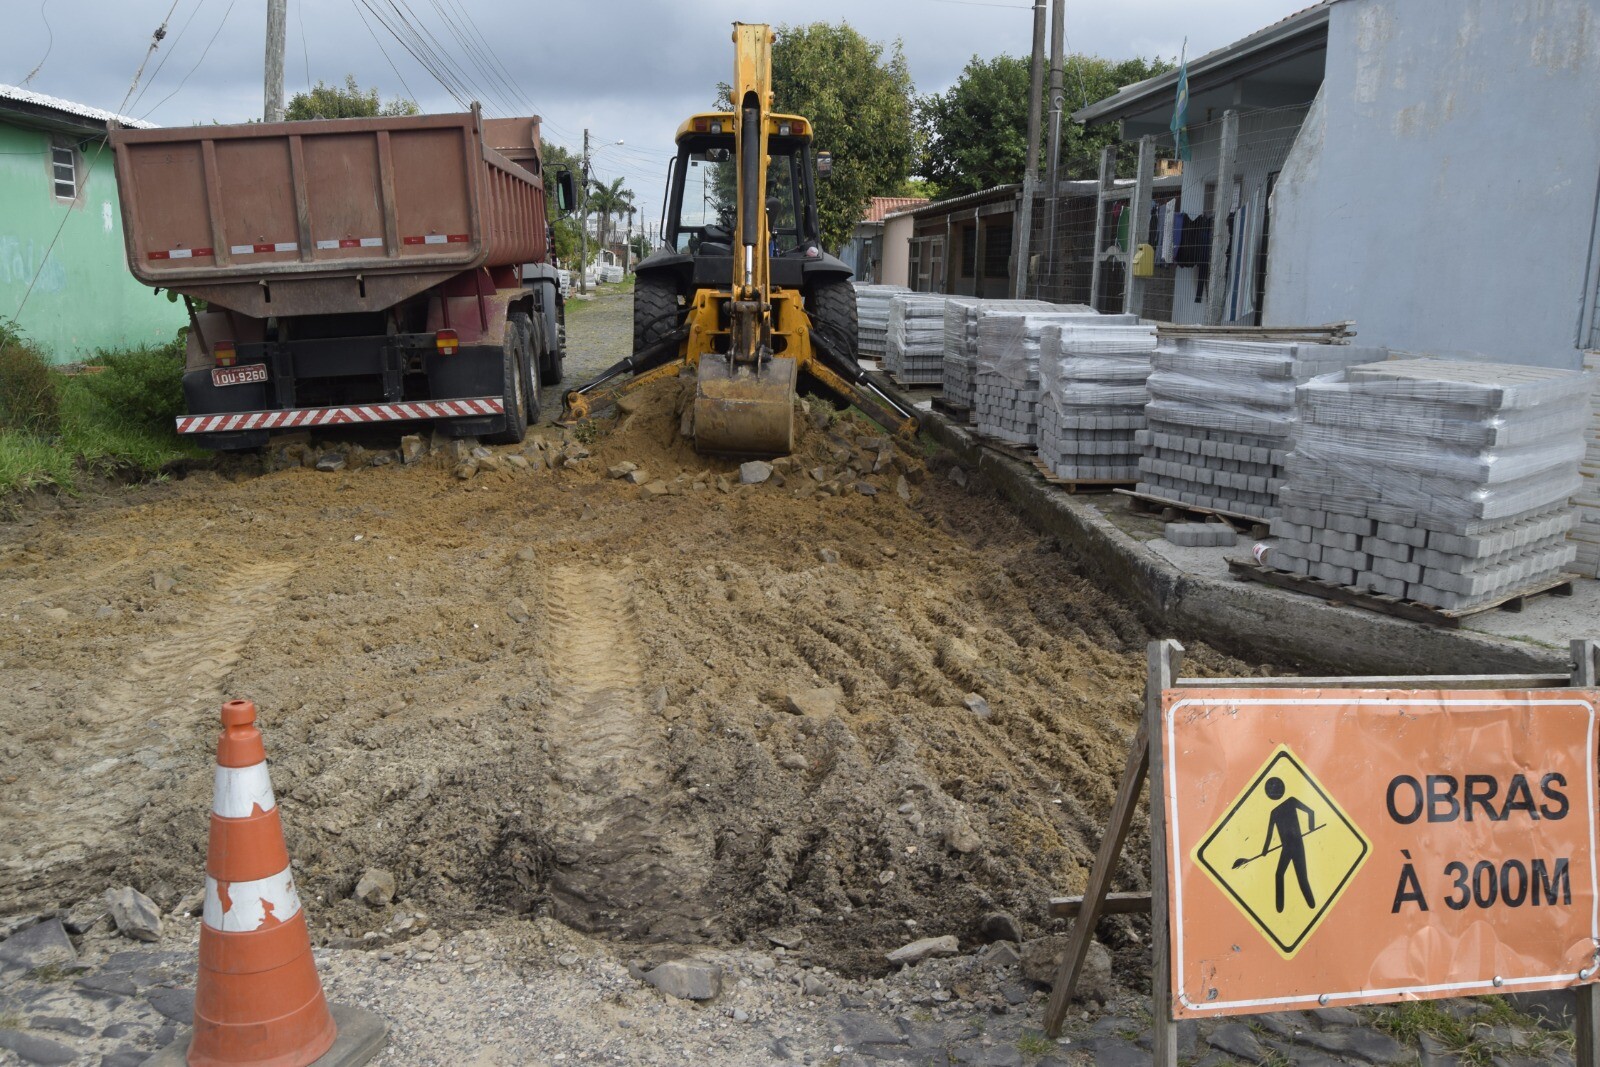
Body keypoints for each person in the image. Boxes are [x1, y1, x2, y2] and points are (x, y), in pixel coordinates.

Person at [1261, 777, 1316, 913]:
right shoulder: (1278, 809)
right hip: (1290, 846)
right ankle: (1280, 909)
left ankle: (1312, 906)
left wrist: (1311, 827)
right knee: (1281, 874)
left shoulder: (1289, 803)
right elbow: (1269, 834)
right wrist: (1265, 850)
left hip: (1295, 845)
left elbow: (1310, 812)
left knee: (1300, 876)